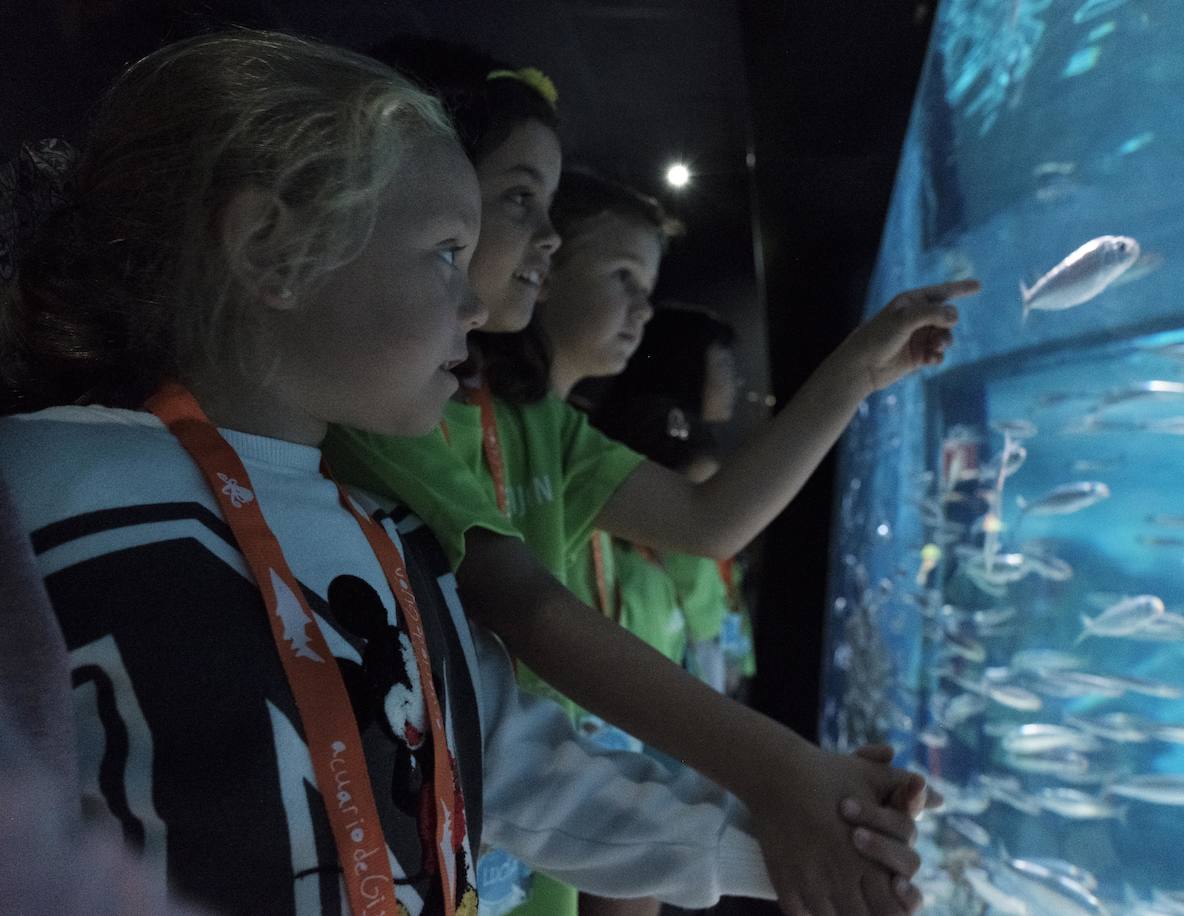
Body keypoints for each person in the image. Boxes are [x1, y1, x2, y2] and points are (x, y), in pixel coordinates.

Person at [0, 31, 923, 916]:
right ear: (270, 250)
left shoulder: (397, 543)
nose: (476, 301)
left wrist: (818, 845)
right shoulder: (38, 498)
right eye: (446, 252)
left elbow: (515, 770)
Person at [327, 37, 968, 916]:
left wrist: (857, 369)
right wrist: (784, 775)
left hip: (539, 826)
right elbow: (532, 610)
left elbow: (713, 521)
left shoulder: (536, 421)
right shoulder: (390, 406)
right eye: (520, 201)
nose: (544, 238)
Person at [589, 305, 753, 697]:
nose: (738, 381)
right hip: (678, 644)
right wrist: (720, 649)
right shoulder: (696, 463)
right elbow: (694, 581)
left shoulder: (625, 433)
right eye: (726, 366)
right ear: (687, 366)